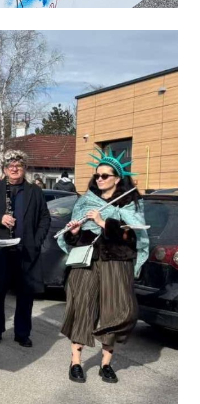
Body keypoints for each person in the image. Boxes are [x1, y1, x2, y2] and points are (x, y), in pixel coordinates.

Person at [60, 149, 147, 383]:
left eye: (105, 176)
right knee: (82, 308)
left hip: (117, 263)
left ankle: (105, 364)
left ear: (117, 178)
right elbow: (72, 239)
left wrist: (104, 222)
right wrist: (74, 232)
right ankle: (75, 362)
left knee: (116, 311)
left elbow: (133, 237)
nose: (99, 179)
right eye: (97, 175)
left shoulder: (129, 203)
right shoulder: (85, 200)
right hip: (86, 262)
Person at [0, 150, 52, 348]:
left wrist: (36, 241)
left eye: (18, 166)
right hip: (0, 250)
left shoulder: (34, 191)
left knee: (25, 295)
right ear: (4, 169)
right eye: (10, 166)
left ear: (24, 169)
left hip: (25, 250)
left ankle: (22, 333)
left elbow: (45, 218)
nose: (14, 169)